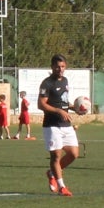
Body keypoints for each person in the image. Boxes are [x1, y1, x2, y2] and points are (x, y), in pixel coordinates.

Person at [37, 53, 78, 197]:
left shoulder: (65, 80)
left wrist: (75, 108)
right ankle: (62, 187)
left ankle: (52, 173)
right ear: (52, 67)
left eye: (62, 66)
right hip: (52, 125)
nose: (60, 69)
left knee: (74, 154)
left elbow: (64, 101)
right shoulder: (47, 83)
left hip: (66, 124)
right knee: (56, 156)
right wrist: (58, 111)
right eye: (57, 67)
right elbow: (41, 104)